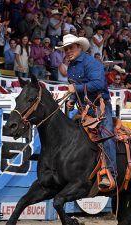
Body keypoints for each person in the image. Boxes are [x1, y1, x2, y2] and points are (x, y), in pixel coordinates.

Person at [56, 34, 116, 189]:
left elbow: (99, 83)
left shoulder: (92, 63)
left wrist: (75, 89)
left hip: (99, 107)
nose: (68, 51)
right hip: (84, 110)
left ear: (79, 47)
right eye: (65, 49)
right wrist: (73, 100)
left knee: (106, 135)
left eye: (70, 48)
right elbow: (80, 90)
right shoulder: (71, 67)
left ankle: (111, 172)